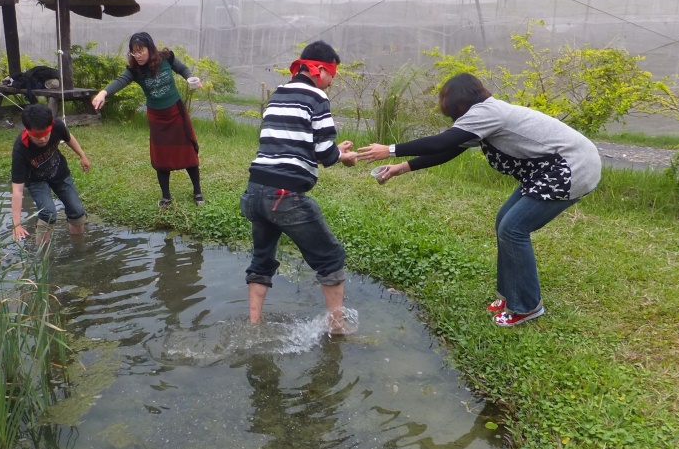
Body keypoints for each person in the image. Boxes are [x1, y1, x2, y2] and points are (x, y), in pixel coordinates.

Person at [358, 72, 601, 327]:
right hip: (547, 171)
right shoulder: (482, 115)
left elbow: (442, 141)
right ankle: (510, 295)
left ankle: (527, 306)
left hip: (572, 167)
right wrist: (401, 168)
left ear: (458, 102)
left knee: (513, 228)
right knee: (504, 223)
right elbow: (448, 150)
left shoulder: (488, 113)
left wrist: (390, 150)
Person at [240, 40, 358, 333]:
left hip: (255, 191)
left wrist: (333, 149)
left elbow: (286, 143)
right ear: (319, 70)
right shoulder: (317, 97)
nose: (331, 82)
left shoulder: (279, 93)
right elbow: (324, 153)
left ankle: (254, 324)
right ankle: (337, 325)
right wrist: (344, 157)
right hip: (284, 196)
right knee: (331, 257)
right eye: (332, 74)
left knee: (262, 259)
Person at [92, 32, 205, 207]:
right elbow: (120, 81)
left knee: (187, 151)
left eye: (140, 51)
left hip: (176, 112)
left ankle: (197, 192)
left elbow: (182, 69)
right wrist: (103, 93)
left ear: (150, 48)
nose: (137, 56)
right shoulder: (134, 70)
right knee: (161, 156)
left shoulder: (166, 58)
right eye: (133, 52)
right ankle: (166, 196)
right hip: (157, 116)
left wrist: (190, 77)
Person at [11, 102, 91, 246]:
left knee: (77, 212)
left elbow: (68, 137)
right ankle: (41, 254)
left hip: (59, 173)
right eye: (37, 136)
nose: (42, 139)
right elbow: (17, 189)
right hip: (36, 181)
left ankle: (79, 246)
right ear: (27, 131)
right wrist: (17, 224)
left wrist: (82, 155)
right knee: (48, 214)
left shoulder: (57, 126)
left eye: (45, 134)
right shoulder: (20, 149)